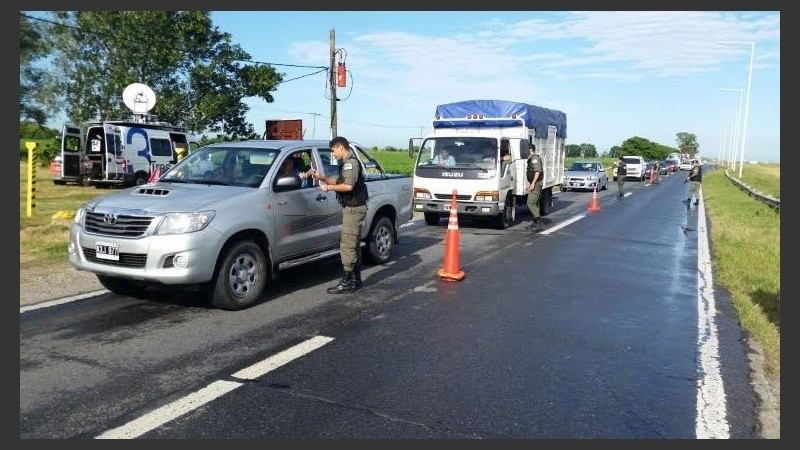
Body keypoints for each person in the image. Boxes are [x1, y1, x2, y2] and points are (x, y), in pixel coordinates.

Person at [310, 136, 369, 294]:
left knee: (347, 245)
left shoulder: (351, 164)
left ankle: (347, 281)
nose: (333, 154)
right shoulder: (346, 163)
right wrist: (322, 178)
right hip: (353, 208)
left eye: (334, 151)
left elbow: (348, 186)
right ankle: (356, 279)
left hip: (354, 209)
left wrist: (328, 188)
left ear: (341, 148)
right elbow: (338, 180)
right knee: (354, 245)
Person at [525, 143, 545, 231]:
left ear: (530, 149)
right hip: (535, 183)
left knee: (531, 203)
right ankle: (535, 223)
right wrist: (530, 183)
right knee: (535, 203)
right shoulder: (531, 159)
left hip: (536, 184)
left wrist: (533, 184)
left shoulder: (535, 159)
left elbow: (537, 172)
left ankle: (539, 223)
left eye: (526, 149)